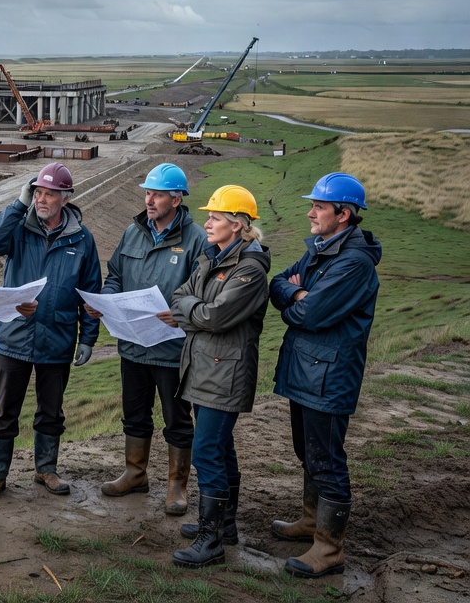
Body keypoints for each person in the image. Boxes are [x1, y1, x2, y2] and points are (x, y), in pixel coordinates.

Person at [269, 173, 380, 579]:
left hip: (329, 377)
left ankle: (330, 548)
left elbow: (309, 314)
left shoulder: (353, 263)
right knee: (307, 451)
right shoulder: (319, 249)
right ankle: (311, 521)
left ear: (344, 215)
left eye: (319, 206)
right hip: (307, 371)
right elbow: (277, 284)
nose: (310, 212)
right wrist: (297, 293)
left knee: (327, 459)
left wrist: (300, 299)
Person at [88, 163, 206, 515]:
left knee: (177, 419)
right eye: (147, 193)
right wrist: (106, 302)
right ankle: (135, 473)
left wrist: (179, 311)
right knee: (134, 414)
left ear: (176, 197)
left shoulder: (196, 239)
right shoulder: (132, 232)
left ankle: (177, 486)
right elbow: (116, 276)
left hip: (172, 349)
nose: (148, 200)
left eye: (156, 194)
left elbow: (201, 291)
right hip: (133, 345)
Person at [162, 184, 270, 569]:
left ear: (238, 225)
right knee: (221, 449)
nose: (206, 222)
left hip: (225, 373)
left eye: (216, 217)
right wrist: (196, 308)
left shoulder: (250, 270)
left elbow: (217, 316)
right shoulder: (214, 257)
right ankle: (225, 525)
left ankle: (211, 540)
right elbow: (180, 298)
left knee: (207, 450)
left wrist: (193, 310)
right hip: (206, 368)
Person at [0, 162, 101, 499]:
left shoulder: (82, 239)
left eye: (49, 194)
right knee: (5, 409)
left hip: (57, 338)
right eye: (38, 193)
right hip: (14, 337)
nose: (42, 199)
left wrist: (88, 338)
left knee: (51, 410)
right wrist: (18, 205)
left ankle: (46, 469)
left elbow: (90, 292)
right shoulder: (18, 228)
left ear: (65, 198)